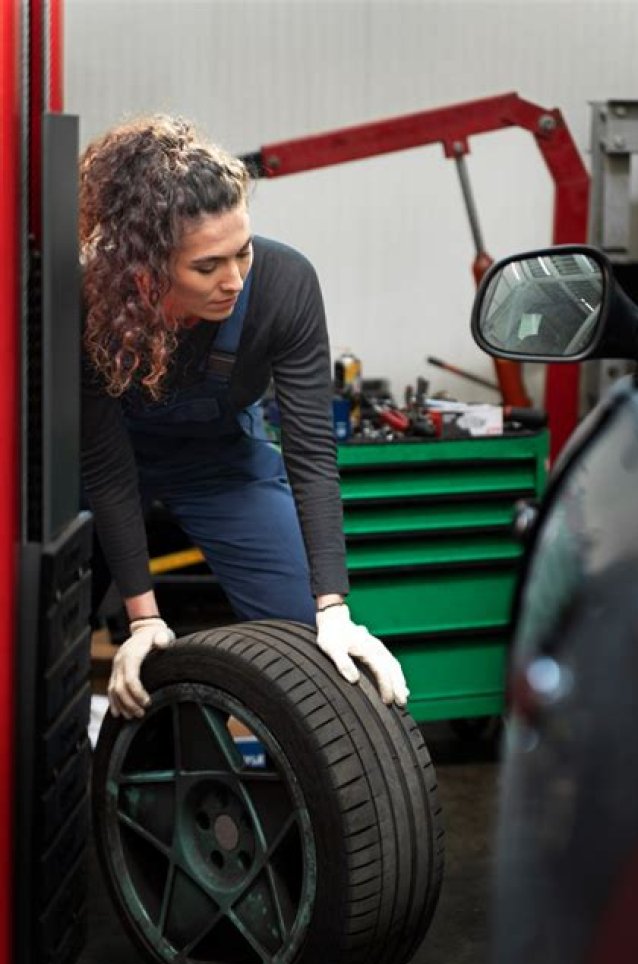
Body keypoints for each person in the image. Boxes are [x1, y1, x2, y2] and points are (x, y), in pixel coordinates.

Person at [80, 115, 408, 720]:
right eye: (207, 267)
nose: (233, 280)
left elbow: (311, 452)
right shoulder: (93, 301)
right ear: (146, 270)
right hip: (105, 470)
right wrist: (144, 619)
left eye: (243, 252)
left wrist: (333, 607)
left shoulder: (285, 285)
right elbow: (106, 468)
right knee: (45, 631)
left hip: (223, 465)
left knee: (310, 646)